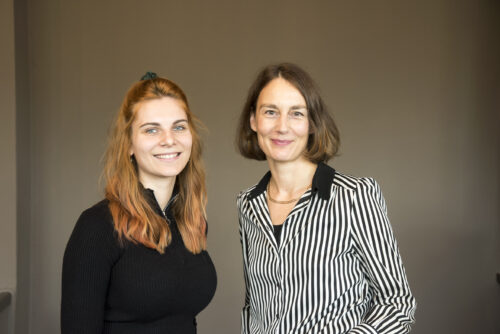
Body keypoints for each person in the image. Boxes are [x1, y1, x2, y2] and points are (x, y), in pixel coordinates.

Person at [236, 63, 416, 334]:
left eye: (296, 113)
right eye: (270, 112)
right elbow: (254, 307)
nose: (282, 127)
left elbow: (397, 303)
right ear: (253, 120)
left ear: (311, 123)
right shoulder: (247, 204)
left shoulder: (354, 196)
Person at [61, 72, 217, 334]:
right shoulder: (97, 227)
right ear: (129, 144)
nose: (169, 140)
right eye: (151, 129)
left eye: (179, 126)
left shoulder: (191, 222)